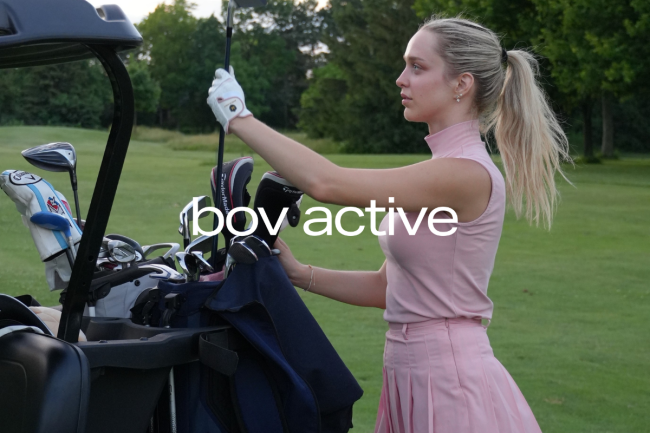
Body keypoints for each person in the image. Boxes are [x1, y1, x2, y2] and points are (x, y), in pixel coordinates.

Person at [207, 15, 570, 433]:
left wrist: (238, 116)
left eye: (417, 66)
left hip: (449, 382)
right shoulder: (443, 169)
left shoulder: (465, 173)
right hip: (410, 375)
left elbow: (327, 183)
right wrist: (301, 274)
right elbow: (388, 288)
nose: (401, 79)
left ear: (461, 84)